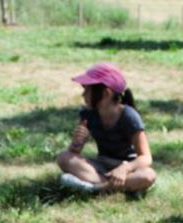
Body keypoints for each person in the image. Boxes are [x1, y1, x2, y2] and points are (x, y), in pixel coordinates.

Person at [55, 63, 157, 195]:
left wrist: (124, 169)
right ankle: (112, 187)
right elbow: (74, 152)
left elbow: (146, 157)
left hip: (128, 166)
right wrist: (76, 142)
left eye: (87, 89)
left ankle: (94, 187)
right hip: (102, 165)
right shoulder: (88, 114)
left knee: (148, 176)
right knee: (64, 158)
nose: (83, 94)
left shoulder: (129, 116)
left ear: (105, 93)